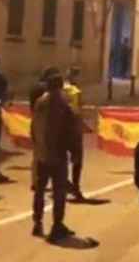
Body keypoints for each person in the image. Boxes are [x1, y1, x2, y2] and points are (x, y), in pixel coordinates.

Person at [31, 70, 81, 242]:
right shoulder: (63, 104)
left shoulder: (39, 102)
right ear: (60, 86)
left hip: (41, 153)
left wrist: (37, 146)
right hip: (57, 154)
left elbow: (33, 127)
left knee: (40, 189)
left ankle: (37, 222)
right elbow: (71, 131)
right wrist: (75, 151)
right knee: (59, 192)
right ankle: (57, 225)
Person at [63, 66, 86, 201]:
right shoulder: (75, 91)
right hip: (73, 129)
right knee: (77, 160)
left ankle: (63, 183)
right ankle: (75, 187)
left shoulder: (61, 89)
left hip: (60, 129)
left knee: (61, 159)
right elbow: (76, 111)